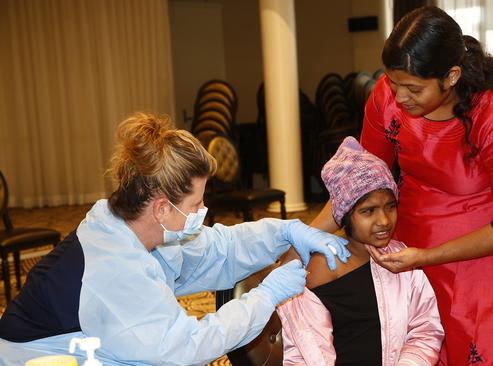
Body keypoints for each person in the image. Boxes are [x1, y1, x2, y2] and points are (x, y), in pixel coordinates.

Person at [0, 113, 350, 366]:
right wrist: (266, 296)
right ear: (162, 208)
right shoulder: (114, 268)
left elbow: (220, 250)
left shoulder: (138, 228)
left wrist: (286, 231)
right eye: (196, 203)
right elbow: (184, 348)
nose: (204, 209)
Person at [310, 6, 493, 365]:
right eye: (393, 82)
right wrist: (304, 239)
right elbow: (356, 186)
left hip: (484, 267)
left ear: (451, 76)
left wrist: (426, 256)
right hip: (408, 253)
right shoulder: (387, 99)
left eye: (413, 88)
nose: (400, 97)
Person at [278, 137, 444, 365]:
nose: (384, 220)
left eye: (390, 206)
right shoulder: (323, 267)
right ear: (345, 216)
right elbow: (305, 349)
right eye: (369, 211)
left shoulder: (401, 259)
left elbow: (425, 328)